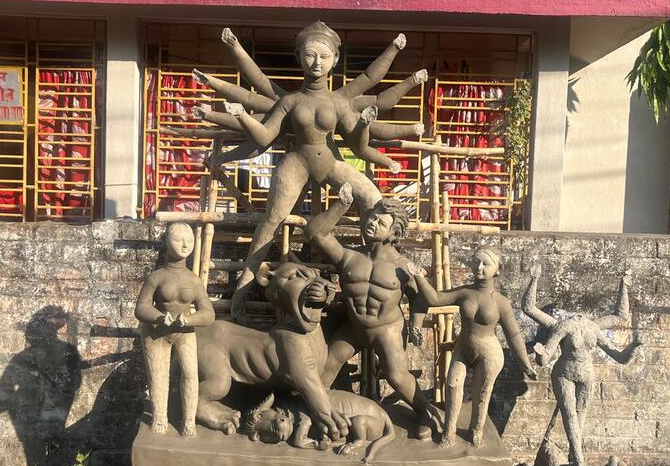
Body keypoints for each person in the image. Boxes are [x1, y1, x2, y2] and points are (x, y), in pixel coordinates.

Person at [193, 22, 426, 319]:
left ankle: (379, 266)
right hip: (296, 163)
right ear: (299, 57)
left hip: (331, 164)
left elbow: (359, 142)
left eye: (324, 56)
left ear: (335, 60)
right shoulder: (290, 101)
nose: (317, 63)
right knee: (270, 222)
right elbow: (264, 137)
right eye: (310, 55)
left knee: (372, 197)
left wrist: (370, 122)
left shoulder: (339, 102)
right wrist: (241, 116)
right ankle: (242, 291)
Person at [304, 182, 440, 439]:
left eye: (381, 222)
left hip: (387, 330)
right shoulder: (348, 256)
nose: (373, 223)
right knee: (326, 366)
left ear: (393, 233)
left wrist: (416, 323)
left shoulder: (403, 266)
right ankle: (318, 413)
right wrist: (341, 205)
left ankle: (426, 412)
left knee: (397, 376)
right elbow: (315, 233)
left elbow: (421, 299)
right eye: (373, 217)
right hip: (355, 327)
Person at [406, 249, 536, 448]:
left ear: (497, 269)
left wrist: (525, 363)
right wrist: (419, 277)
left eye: (486, 263)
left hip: (489, 353)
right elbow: (436, 299)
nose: (479, 267)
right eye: (476, 262)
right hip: (463, 348)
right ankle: (448, 432)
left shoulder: (501, 302)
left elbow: (514, 335)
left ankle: (476, 431)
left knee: (481, 392)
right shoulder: (465, 292)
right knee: (452, 384)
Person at [522, 265, 641, 466]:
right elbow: (529, 309)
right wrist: (534, 279)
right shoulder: (563, 326)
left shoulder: (593, 328)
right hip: (564, 373)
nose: (577, 316)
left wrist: (634, 345)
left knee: (580, 417)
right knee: (570, 416)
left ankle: (573, 456)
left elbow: (620, 354)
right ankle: (578, 462)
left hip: (587, 375)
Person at [134, 223, 215, 437]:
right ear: (167, 242)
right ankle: (160, 418)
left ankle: (189, 421)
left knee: (190, 374)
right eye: (179, 239)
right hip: (156, 332)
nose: (185, 244)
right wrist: (160, 317)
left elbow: (208, 313)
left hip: (184, 332)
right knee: (158, 376)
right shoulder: (156, 277)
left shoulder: (194, 280)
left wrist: (188, 319)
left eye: (189, 240)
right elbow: (141, 307)